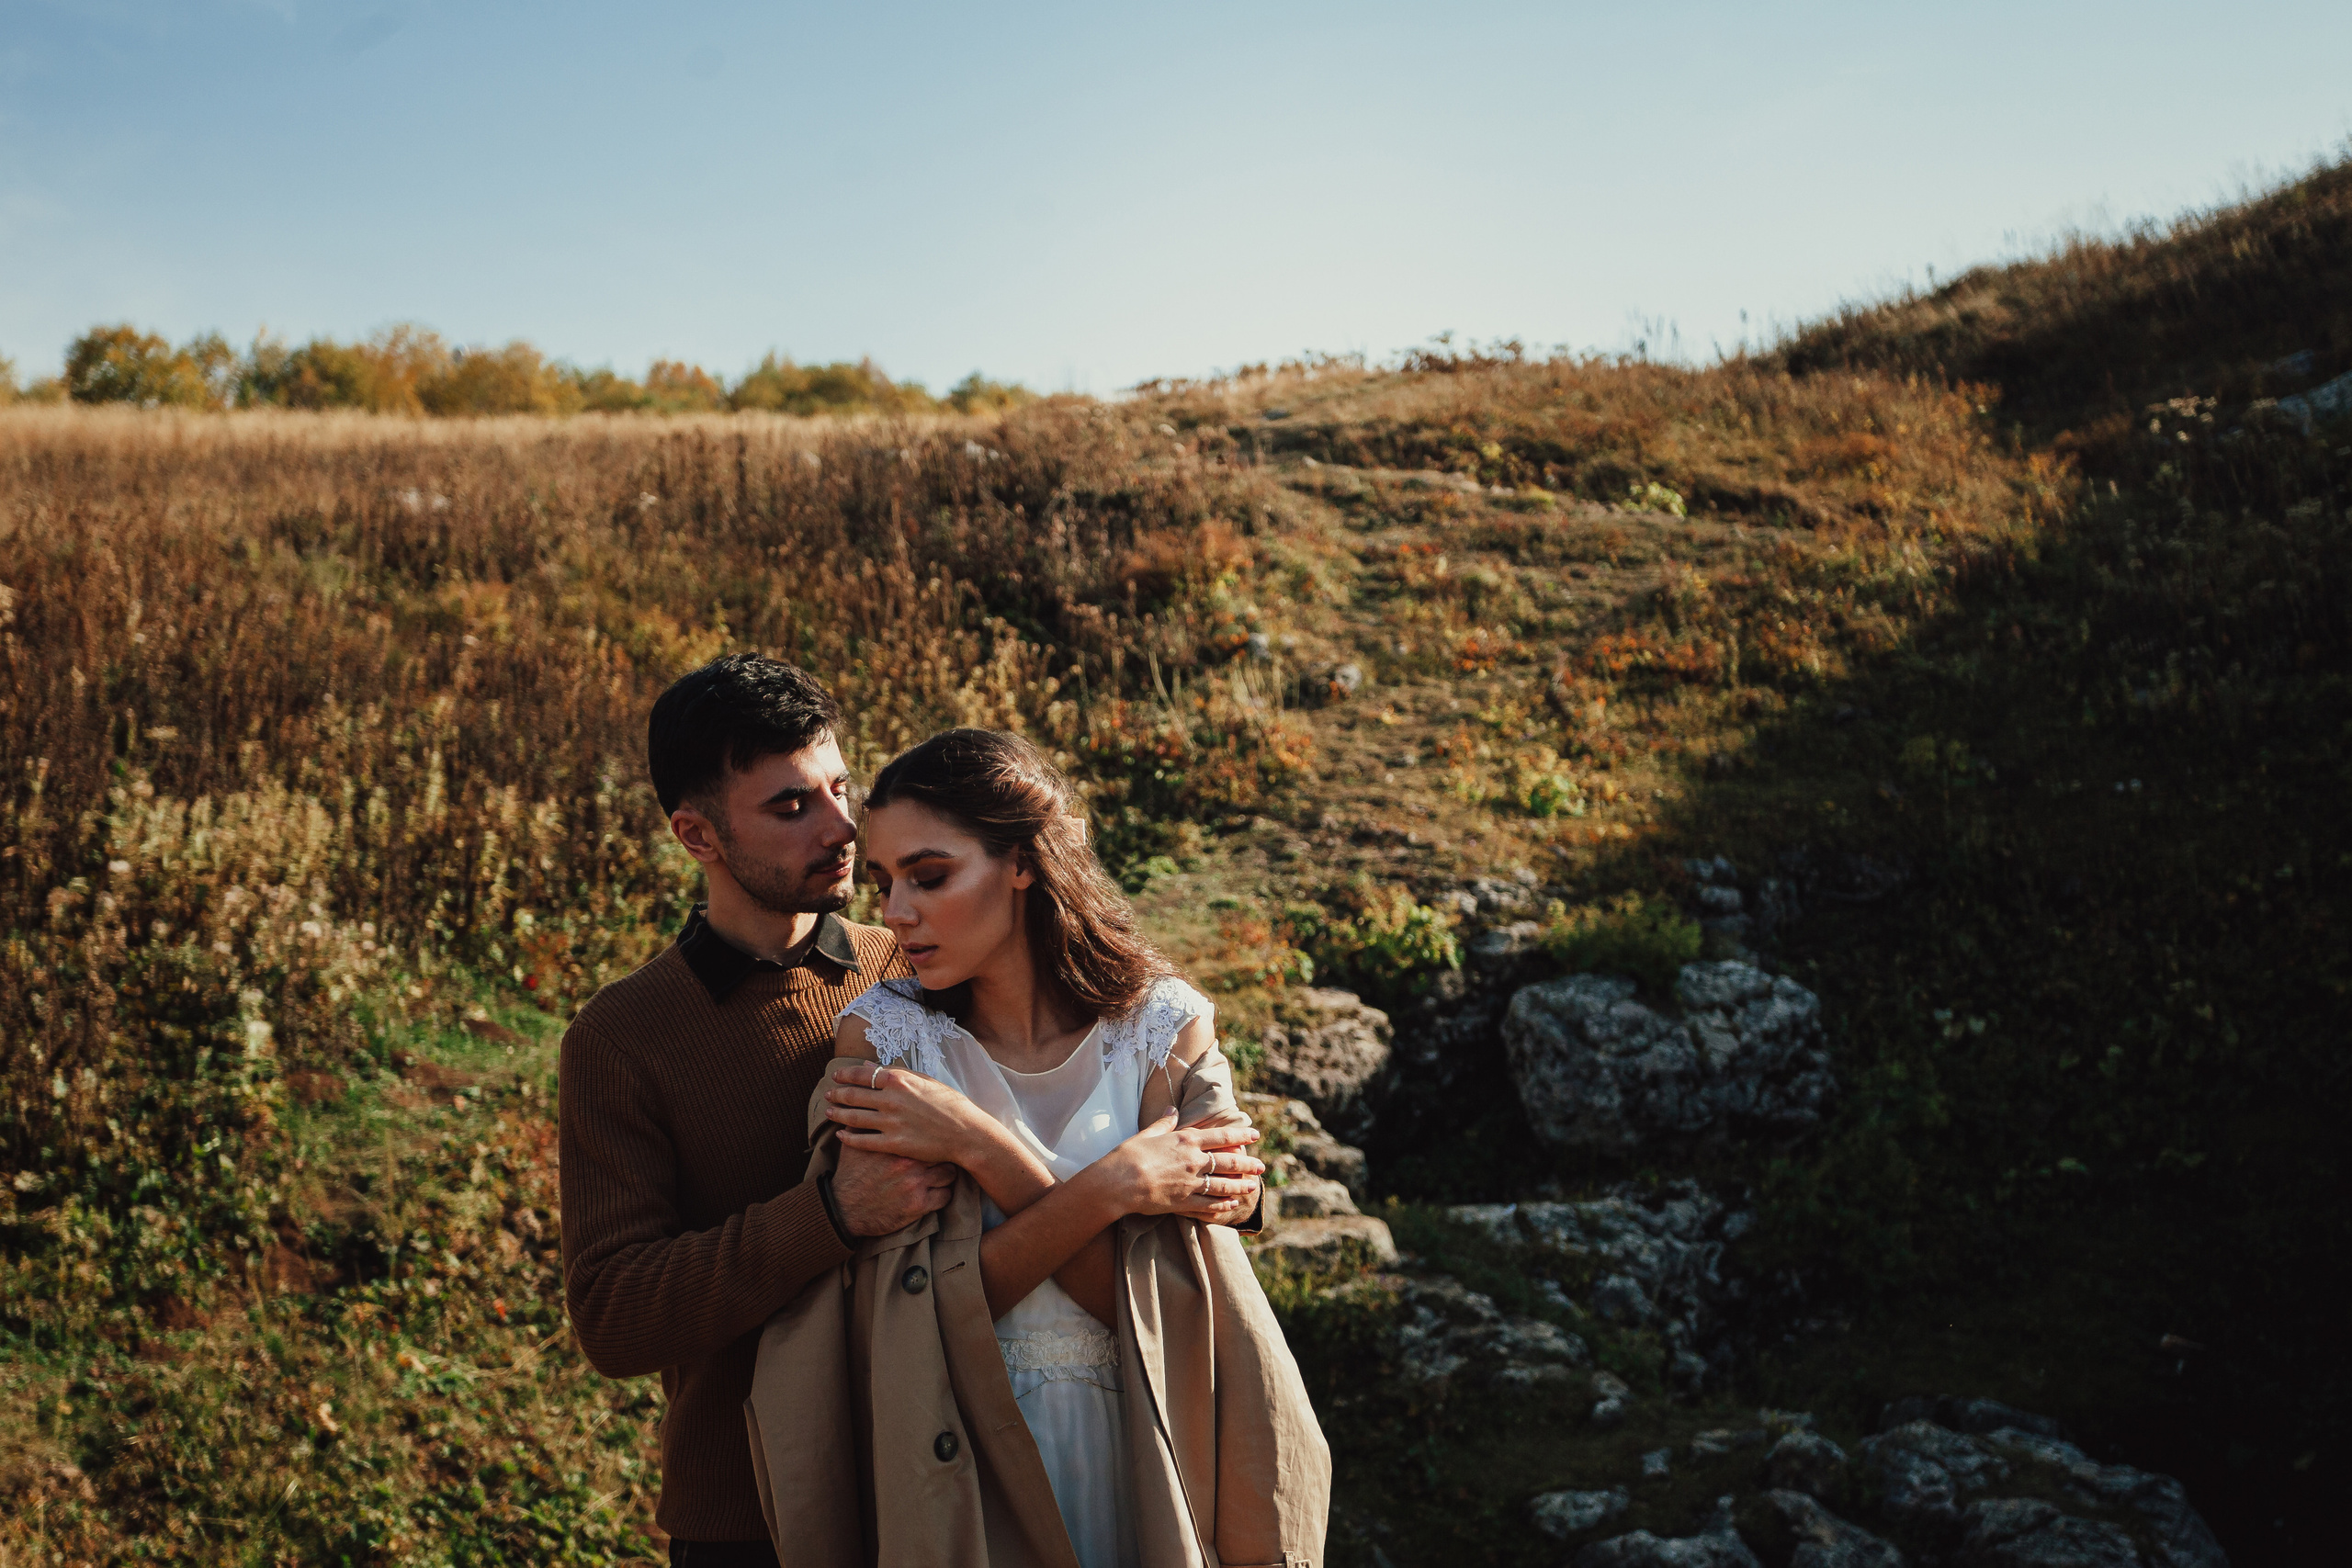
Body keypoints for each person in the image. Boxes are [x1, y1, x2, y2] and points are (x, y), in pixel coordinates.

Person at [559, 658, 1242, 1564]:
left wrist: (1220, 1179)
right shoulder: (626, 1035)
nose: (841, 825)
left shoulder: (926, 960)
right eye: (791, 807)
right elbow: (615, 1317)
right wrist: (831, 1216)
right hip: (752, 1515)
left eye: (839, 786)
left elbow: (1088, 1072)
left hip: (951, 1481)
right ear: (697, 834)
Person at [745, 729, 1329, 1568]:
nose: (896, 913)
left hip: (1152, 1446)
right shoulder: (884, 1047)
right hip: (964, 1462)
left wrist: (975, 1148)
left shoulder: (1165, 1030)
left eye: (930, 875)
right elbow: (928, 1320)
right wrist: (1119, 1183)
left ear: (1021, 862)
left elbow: (1161, 1312)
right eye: (884, 882)